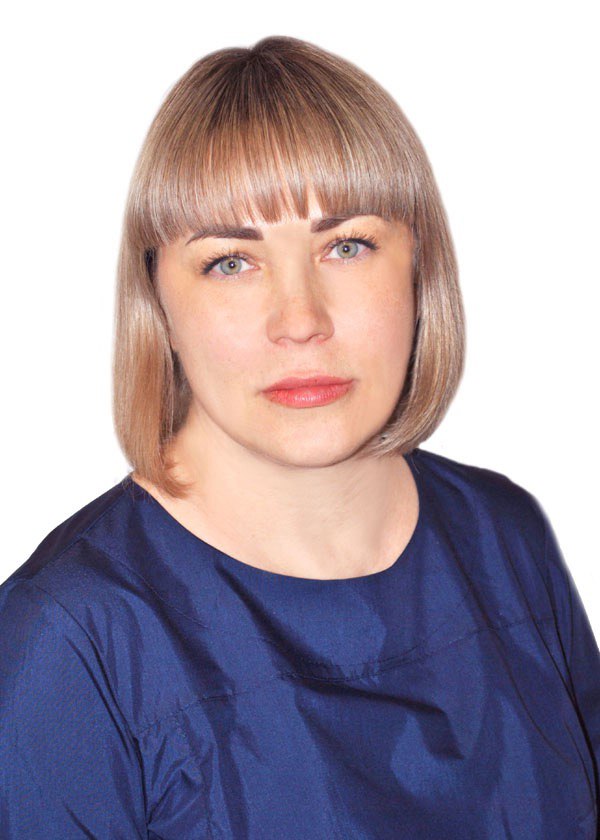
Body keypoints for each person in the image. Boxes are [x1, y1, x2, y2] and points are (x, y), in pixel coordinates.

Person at [0, 35, 598, 839]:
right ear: (158, 303)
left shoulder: (505, 536)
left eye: (346, 246)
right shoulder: (69, 644)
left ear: (419, 269)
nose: (301, 320)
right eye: (230, 262)